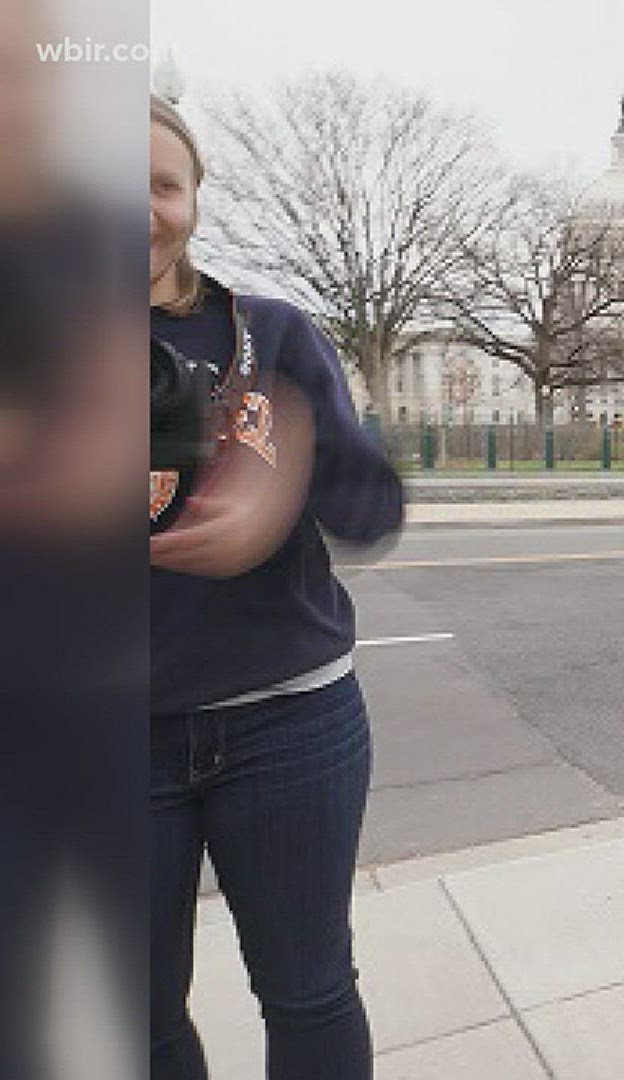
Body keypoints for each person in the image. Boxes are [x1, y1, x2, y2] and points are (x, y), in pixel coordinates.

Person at [148, 93, 403, 1080]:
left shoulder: (274, 336)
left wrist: (294, 466)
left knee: (309, 991)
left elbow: (371, 512)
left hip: (290, 726)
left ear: (194, 202)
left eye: (163, 184)